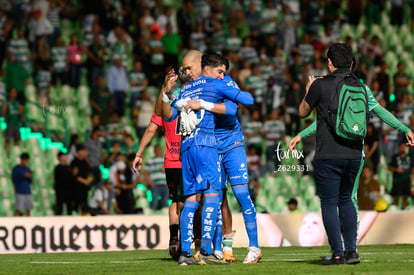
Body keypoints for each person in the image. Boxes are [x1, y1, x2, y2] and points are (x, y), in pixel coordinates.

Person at [290, 43, 414, 265]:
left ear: (329, 62)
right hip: (355, 154)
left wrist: (309, 91)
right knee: (347, 200)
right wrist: (405, 129)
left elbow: (303, 113)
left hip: (328, 154)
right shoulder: (362, 88)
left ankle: (337, 253)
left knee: (329, 203)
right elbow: (382, 112)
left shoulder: (320, 85)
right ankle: (352, 252)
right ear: (352, 63)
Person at [161, 52, 253, 265]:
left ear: (197, 65)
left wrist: (167, 93)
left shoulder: (184, 89)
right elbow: (242, 103)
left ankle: (185, 254)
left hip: (186, 149)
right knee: (214, 198)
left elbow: (170, 115)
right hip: (207, 146)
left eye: (187, 68)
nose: (185, 71)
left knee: (191, 201)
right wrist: (210, 103)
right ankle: (206, 250)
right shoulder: (213, 83)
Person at [132, 68, 187, 260]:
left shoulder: (166, 106)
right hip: (188, 160)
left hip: (170, 162)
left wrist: (139, 153)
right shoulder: (192, 103)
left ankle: (174, 239)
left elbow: (150, 130)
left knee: (175, 201)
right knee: (191, 202)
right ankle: (191, 243)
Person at [143, 145, 169, 211]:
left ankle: (165, 217)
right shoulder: (150, 161)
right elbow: (145, 172)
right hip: (155, 184)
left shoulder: (165, 160)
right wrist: (150, 182)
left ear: (161, 151)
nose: (158, 151)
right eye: (156, 150)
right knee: (154, 201)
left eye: (159, 150)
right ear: (154, 151)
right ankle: (152, 217)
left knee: (165, 201)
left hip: (165, 184)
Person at [388, 142, 414, 210]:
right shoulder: (395, 157)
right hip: (397, 181)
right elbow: (389, 167)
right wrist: (397, 169)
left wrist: (411, 181)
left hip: (407, 180)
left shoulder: (410, 157)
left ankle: (403, 214)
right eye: (401, 147)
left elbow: (412, 169)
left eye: (404, 147)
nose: (403, 148)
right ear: (399, 148)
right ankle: (394, 212)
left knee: (405, 199)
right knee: (396, 198)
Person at [71, 144, 93, 215]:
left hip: (85, 188)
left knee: (85, 204)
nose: (86, 152)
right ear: (79, 152)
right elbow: (75, 176)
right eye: (84, 151)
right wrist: (84, 181)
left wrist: (89, 180)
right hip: (77, 188)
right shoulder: (75, 162)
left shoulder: (85, 162)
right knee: (77, 204)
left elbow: (89, 173)